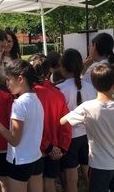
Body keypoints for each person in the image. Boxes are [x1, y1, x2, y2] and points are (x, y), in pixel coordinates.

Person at [60, 63, 114, 192]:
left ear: (94, 85)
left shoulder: (86, 108)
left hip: (99, 165)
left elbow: (63, 121)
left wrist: (82, 120)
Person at [0, 60, 44, 192]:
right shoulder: (36, 99)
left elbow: (14, 140)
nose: (7, 84)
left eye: (8, 80)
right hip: (36, 158)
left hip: (21, 161)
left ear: (20, 79)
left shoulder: (19, 104)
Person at [57, 49, 97, 192]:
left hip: (69, 138)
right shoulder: (90, 88)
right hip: (87, 135)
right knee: (87, 170)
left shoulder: (60, 89)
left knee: (71, 177)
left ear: (63, 67)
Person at [31, 60, 72, 192]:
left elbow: (31, 128)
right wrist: (61, 148)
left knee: (34, 184)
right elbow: (66, 124)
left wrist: (49, 147)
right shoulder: (57, 93)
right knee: (50, 182)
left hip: (36, 149)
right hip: (54, 148)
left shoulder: (28, 96)